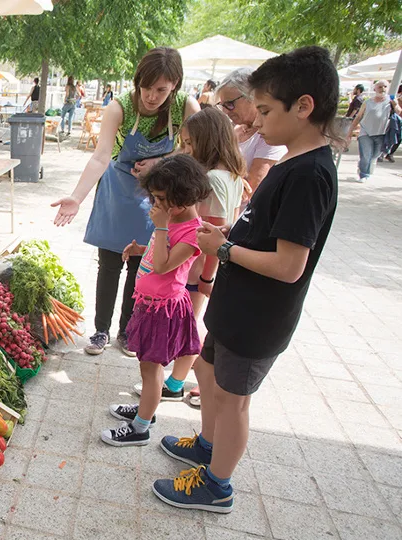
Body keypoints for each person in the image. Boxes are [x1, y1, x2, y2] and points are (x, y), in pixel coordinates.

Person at [152, 45, 339, 514]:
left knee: (234, 400)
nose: (255, 119)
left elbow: (289, 265)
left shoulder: (311, 174)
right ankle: (207, 447)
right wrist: (231, 234)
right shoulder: (290, 163)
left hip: (260, 316)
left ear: (304, 106)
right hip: (237, 306)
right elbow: (267, 231)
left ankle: (218, 486)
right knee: (206, 372)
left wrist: (225, 249)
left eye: (265, 109)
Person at [51, 47, 200, 356]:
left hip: (156, 197)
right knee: (108, 264)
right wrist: (77, 198)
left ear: (175, 85)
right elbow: (101, 155)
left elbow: (195, 149)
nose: (151, 96)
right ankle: (100, 331)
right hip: (117, 190)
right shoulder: (119, 107)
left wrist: (160, 162)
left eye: (161, 89)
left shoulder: (186, 107)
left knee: (139, 265)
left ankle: (127, 332)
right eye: (146, 87)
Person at [131, 107, 246, 405]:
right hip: (189, 268)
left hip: (191, 272)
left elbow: (214, 232)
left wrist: (208, 275)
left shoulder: (214, 180)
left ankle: (175, 383)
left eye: (190, 143)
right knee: (188, 330)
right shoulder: (230, 175)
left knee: (189, 332)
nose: (185, 149)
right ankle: (171, 383)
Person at [101, 155, 210, 446]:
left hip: (162, 310)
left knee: (151, 371)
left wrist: (160, 226)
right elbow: (156, 254)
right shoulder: (171, 220)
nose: (155, 205)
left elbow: (164, 266)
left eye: (161, 199)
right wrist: (140, 250)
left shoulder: (192, 233)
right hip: (149, 303)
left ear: (182, 199)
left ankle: (140, 428)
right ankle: (146, 411)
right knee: (147, 368)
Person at [216, 69, 286, 194]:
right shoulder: (237, 129)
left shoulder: (269, 136)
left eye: (230, 104)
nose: (226, 111)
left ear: (252, 97)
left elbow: (251, 188)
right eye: (222, 105)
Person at [349, 80, 401, 182]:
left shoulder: (391, 101)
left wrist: (395, 104)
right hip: (365, 132)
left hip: (381, 133)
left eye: (385, 86)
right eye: (380, 87)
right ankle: (364, 175)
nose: (383, 89)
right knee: (366, 155)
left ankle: (363, 166)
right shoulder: (367, 102)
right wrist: (350, 131)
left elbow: (399, 112)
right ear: (375, 89)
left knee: (374, 156)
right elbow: (359, 117)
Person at [383, 93, 402, 162]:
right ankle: (383, 153)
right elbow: (399, 111)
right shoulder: (395, 99)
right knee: (387, 137)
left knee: (398, 139)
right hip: (390, 121)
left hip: (397, 122)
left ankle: (389, 154)